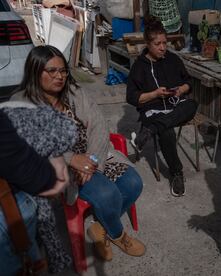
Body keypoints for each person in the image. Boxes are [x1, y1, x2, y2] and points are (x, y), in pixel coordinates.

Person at [12, 45, 145, 262]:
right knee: (106, 194)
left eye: (63, 70)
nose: (60, 76)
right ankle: (118, 235)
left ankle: (100, 229)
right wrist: (73, 159)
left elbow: (99, 125)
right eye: (52, 71)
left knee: (133, 183)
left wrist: (92, 161)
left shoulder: (74, 92)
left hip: (94, 156)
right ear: (36, 71)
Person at [126, 16, 198, 197]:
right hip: (153, 109)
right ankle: (176, 172)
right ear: (148, 44)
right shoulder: (139, 67)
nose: (163, 47)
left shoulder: (173, 59)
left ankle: (148, 132)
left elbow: (189, 82)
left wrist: (181, 89)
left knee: (192, 104)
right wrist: (155, 94)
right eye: (158, 44)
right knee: (166, 131)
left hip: (176, 105)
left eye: (165, 42)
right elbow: (132, 97)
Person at [0, 104, 70, 275]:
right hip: (22, 188)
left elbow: (96, 129)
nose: (59, 76)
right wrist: (55, 172)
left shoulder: (78, 97)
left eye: (63, 74)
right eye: (52, 73)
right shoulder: (21, 104)